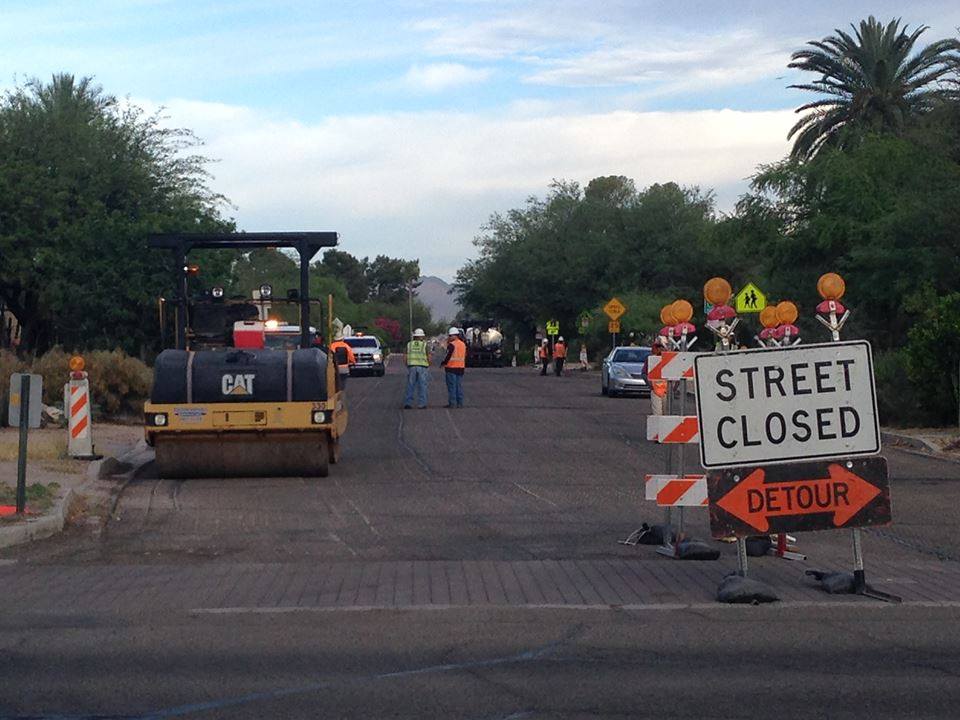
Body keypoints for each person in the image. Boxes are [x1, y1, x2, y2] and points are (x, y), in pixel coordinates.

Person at [403, 328, 430, 409]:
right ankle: (422, 404)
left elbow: (405, 356)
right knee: (422, 386)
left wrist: (407, 365)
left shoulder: (409, 344)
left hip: (412, 367)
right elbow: (429, 356)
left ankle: (408, 403)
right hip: (422, 367)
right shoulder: (424, 345)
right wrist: (428, 364)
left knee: (410, 385)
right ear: (421, 336)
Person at [441, 326, 466, 408]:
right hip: (460, 368)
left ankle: (452, 403)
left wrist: (443, 363)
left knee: (452, 387)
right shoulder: (463, 344)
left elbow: (448, 356)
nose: (449, 337)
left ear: (454, 335)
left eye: (450, 336)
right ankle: (460, 403)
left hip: (451, 368)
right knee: (458, 386)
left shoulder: (451, 345)